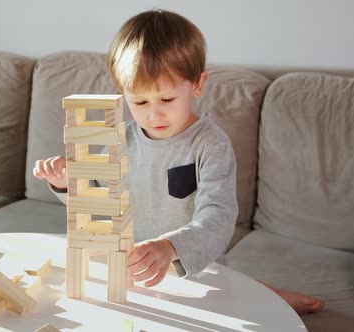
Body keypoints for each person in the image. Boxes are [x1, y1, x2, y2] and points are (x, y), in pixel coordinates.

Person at [32, 9, 324, 315]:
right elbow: (98, 210)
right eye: (140, 102)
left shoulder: (210, 144)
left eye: (167, 100)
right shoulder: (118, 140)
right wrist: (66, 183)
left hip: (192, 265)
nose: (153, 115)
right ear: (123, 94)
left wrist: (169, 248)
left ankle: (271, 296)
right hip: (131, 267)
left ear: (197, 85)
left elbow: (218, 217)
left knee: (237, 307)